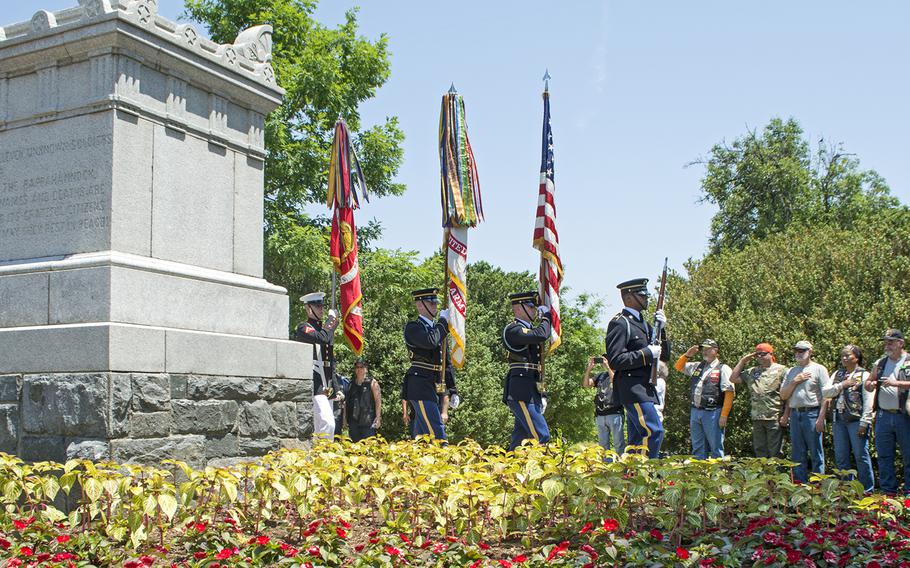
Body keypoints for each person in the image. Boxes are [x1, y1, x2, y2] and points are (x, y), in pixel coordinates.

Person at [604, 278, 669, 458]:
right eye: (642, 295)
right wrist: (647, 353)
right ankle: (644, 474)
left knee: (636, 439)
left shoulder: (645, 325)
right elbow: (615, 360)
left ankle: (629, 478)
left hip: (645, 387)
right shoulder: (620, 323)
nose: (646, 298)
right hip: (633, 388)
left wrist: (661, 330)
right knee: (653, 431)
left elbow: (665, 356)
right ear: (629, 298)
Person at [502, 291, 553, 451]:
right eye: (531, 307)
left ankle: (504, 474)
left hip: (531, 391)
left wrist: (542, 394)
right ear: (518, 309)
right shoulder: (513, 329)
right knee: (541, 436)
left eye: (534, 307)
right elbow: (541, 334)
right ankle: (544, 473)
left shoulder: (529, 330)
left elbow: (537, 367)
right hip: (521, 392)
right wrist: (546, 317)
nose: (534, 310)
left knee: (520, 440)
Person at [864, 329, 910, 495]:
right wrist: (869, 385)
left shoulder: (909, 360)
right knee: (884, 456)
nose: (887, 345)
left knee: (908, 455)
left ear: (900, 343)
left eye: (890, 342)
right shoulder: (881, 363)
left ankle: (908, 494)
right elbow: (869, 381)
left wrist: (895, 383)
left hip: (904, 416)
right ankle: (888, 491)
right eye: (886, 342)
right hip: (883, 415)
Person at [401, 288, 450, 441]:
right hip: (420, 384)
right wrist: (443, 322)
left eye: (435, 303)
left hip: (434, 383)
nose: (435, 306)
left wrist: (452, 389)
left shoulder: (436, 329)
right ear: (420, 305)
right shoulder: (413, 327)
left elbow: (445, 362)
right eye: (431, 302)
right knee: (437, 433)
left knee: (421, 437)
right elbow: (430, 341)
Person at [824, 345, 874, 493]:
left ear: (857, 358)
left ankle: (867, 490)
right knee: (841, 456)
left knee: (861, 456)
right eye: (842, 356)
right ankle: (844, 490)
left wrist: (865, 422)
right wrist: (842, 385)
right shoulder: (838, 374)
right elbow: (825, 391)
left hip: (857, 420)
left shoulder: (864, 375)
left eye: (848, 355)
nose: (844, 358)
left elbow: (868, 400)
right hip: (838, 419)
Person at [780, 340, 832, 483]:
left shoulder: (819, 369)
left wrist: (821, 418)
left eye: (802, 351)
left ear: (810, 352)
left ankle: (818, 485)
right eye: (796, 351)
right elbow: (784, 395)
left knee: (816, 451)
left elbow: (827, 396)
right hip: (795, 414)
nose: (798, 353)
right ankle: (799, 484)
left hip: (812, 413)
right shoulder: (791, 371)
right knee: (797, 452)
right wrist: (794, 381)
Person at [674, 339, 735, 459]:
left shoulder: (723, 368)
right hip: (696, 411)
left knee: (716, 447)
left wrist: (724, 415)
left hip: (714, 412)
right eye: (703, 349)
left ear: (715, 351)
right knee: (698, 447)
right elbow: (678, 367)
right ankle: (700, 475)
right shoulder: (697, 366)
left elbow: (729, 392)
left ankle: (718, 475)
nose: (705, 351)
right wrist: (687, 355)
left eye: (708, 349)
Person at [294, 292, 341, 439]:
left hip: (327, 382)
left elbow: (330, 361)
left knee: (323, 427)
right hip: (315, 381)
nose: (321, 309)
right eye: (317, 306)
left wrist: (337, 387)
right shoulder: (304, 328)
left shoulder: (324, 329)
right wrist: (332, 320)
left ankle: (322, 456)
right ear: (308, 308)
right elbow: (323, 338)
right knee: (328, 423)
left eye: (322, 306)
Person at [730, 342, 788, 458]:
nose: (760, 357)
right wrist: (742, 361)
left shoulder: (782, 370)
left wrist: (786, 415)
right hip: (757, 417)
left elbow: (789, 395)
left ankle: (776, 475)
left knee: (775, 452)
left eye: (763, 354)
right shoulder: (752, 371)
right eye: (757, 355)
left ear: (771, 354)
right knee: (759, 450)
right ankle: (763, 475)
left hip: (774, 416)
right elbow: (733, 378)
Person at [582, 355, 625, 454]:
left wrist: (608, 367)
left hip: (615, 413)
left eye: (606, 359)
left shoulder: (619, 373)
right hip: (600, 415)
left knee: (619, 444)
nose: (603, 362)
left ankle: (622, 468)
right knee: (603, 446)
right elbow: (586, 384)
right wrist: (589, 369)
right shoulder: (600, 375)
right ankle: (605, 467)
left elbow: (616, 382)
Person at [344, 359, 381, 442]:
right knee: (355, 448)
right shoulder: (350, 384)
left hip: (368, 421)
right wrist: (344, 419)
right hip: (353, 422)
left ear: (366, 369)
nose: (359, 369)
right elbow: (346, 402)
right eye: (357, 367)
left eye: (362, 367)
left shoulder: (372, 383)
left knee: (369, 448)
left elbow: (378, 400)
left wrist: (378, 417)